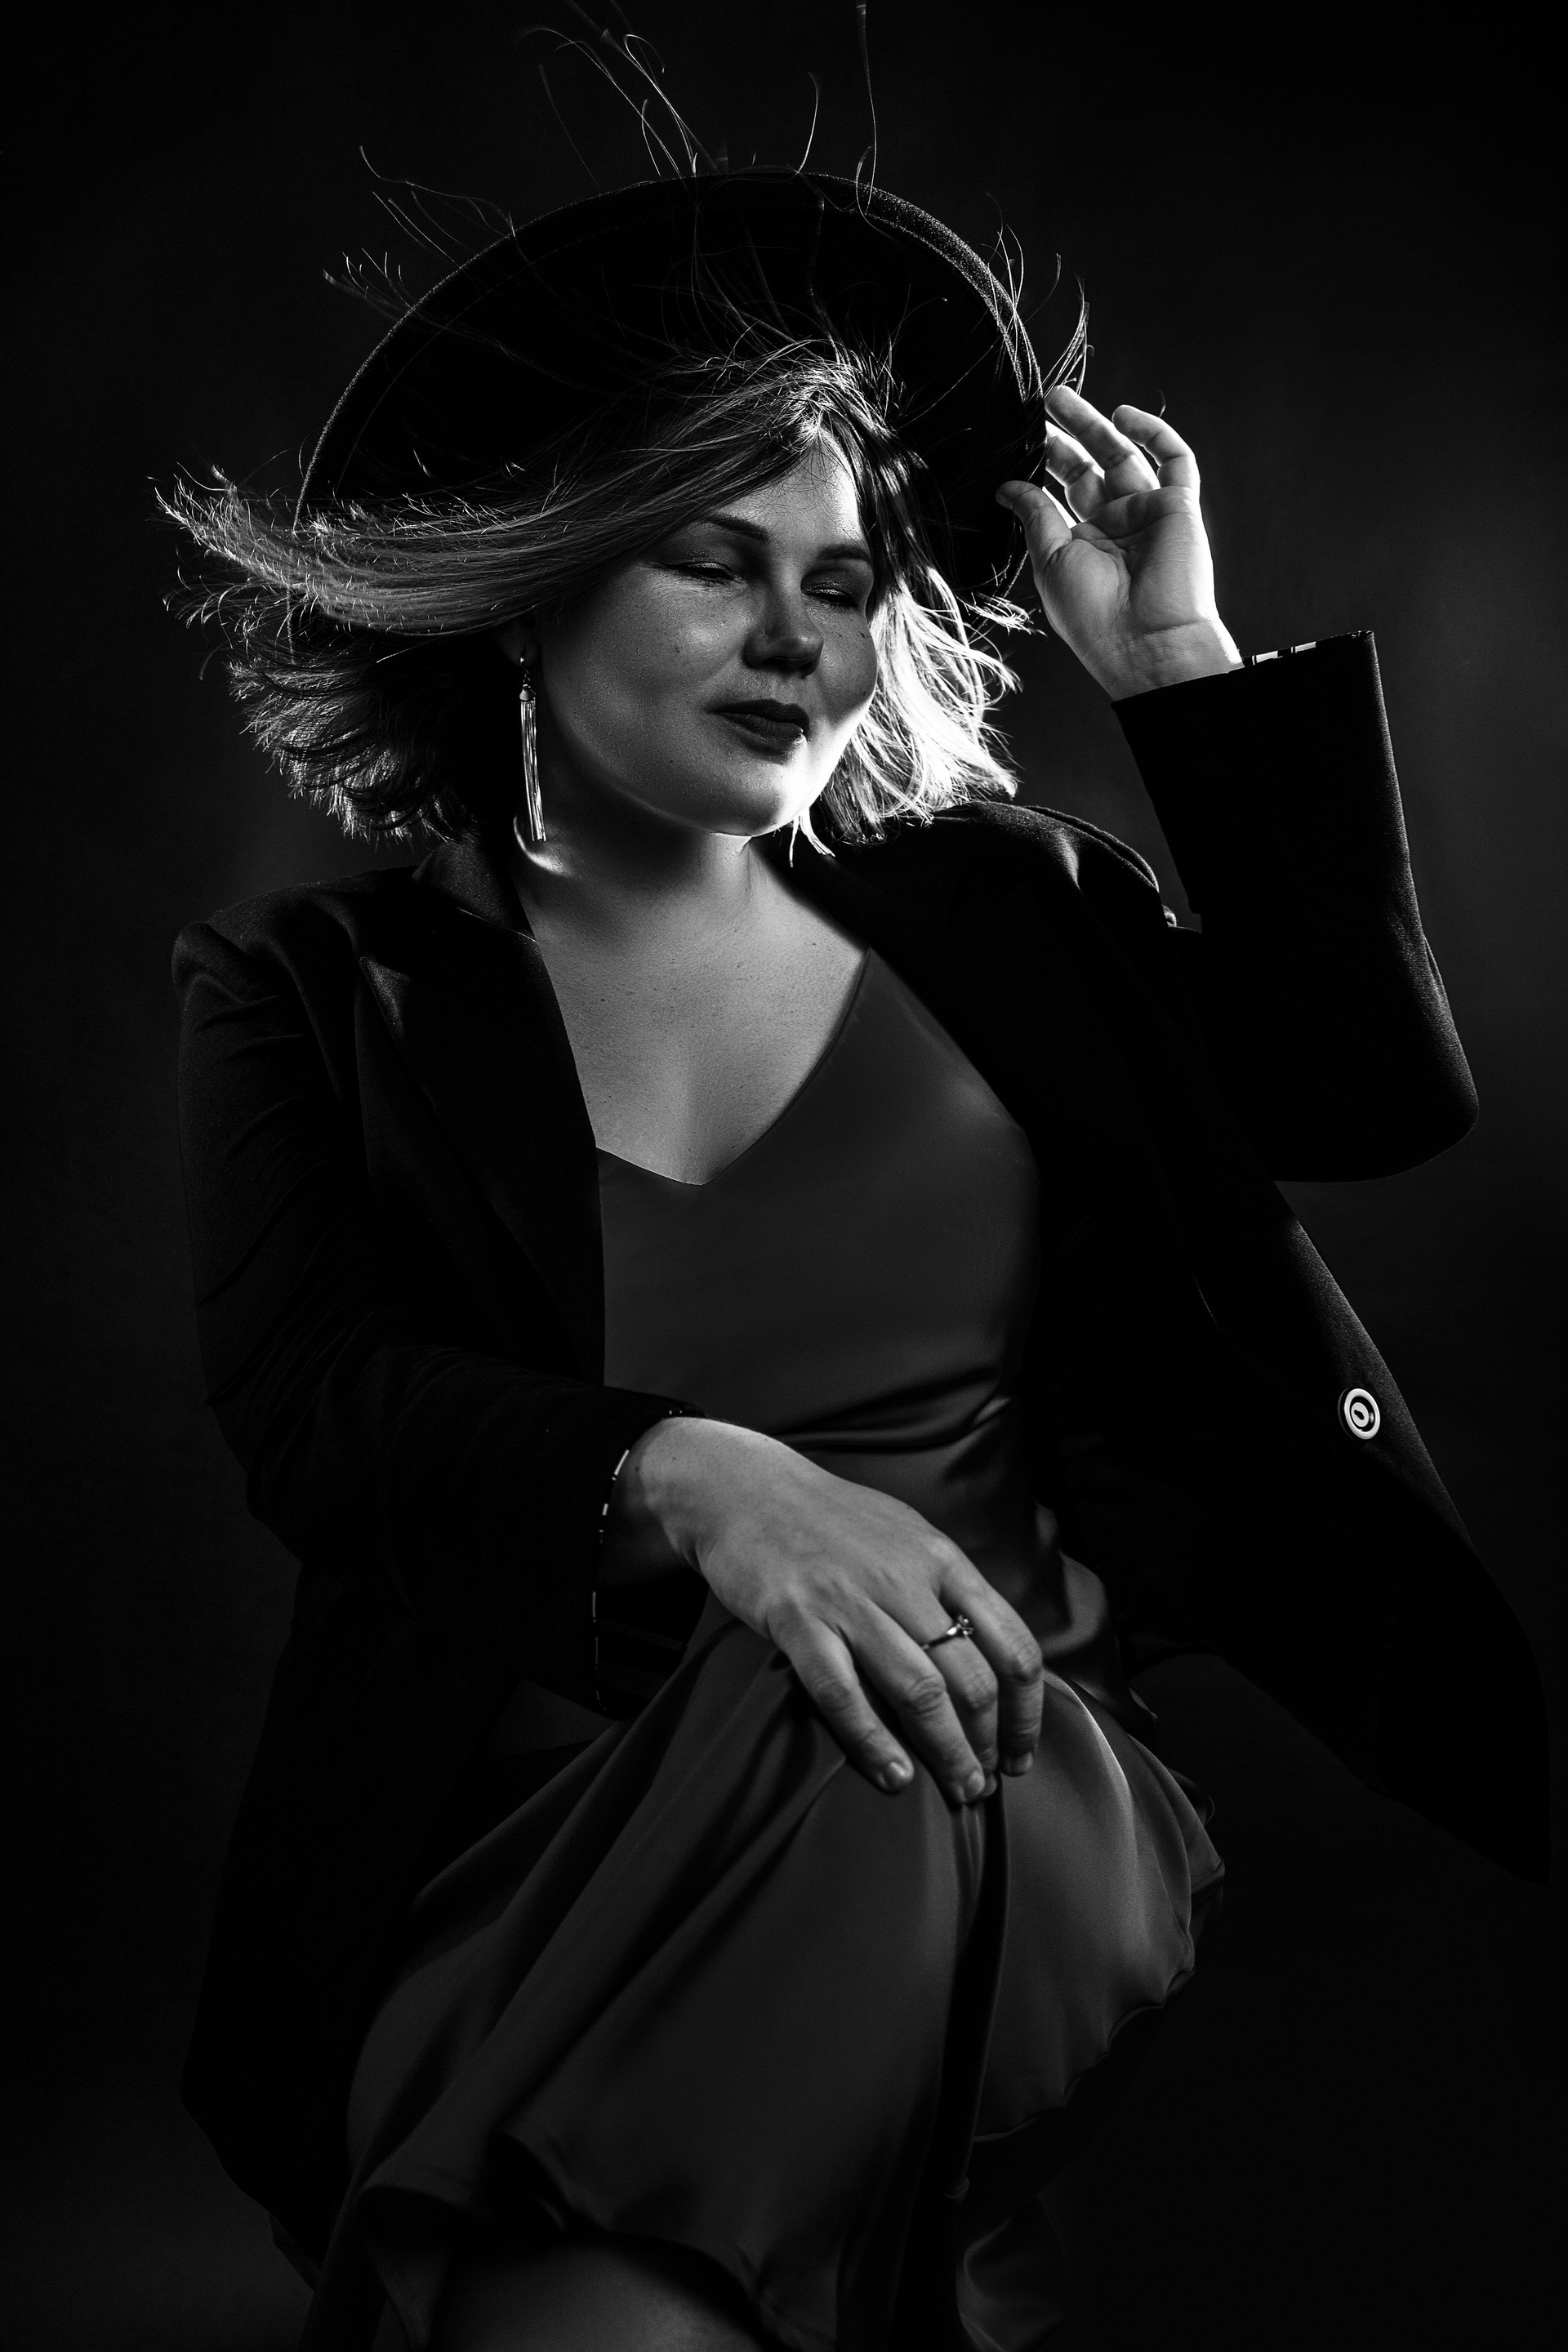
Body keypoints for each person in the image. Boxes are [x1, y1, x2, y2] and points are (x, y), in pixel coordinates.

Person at [167, 169, 1546, 2351]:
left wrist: (1179, 672)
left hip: (992, 1777)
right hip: (546, 1837)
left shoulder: (1006, 914)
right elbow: (316, 1413)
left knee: (872, 1743)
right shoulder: (317, 994)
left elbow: (1370, 1095)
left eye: (845, 579)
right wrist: (710, 1484)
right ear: (530, 587)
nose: (799, 640)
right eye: (714, 564)